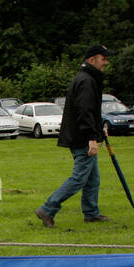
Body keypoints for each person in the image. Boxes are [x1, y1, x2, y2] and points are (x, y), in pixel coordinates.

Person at [36, 44, 112, 226]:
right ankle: (47, 209)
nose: (106, 63)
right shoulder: (86, 80)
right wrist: (91, 139)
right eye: (103, 59)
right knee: (79, 178)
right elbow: (84, 112)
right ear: (92, 59)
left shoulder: (88, 78)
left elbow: (91, 111)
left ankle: (91, 213)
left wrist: (99, 128)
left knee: (93, 179)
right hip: (81, 138)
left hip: (83, 135)